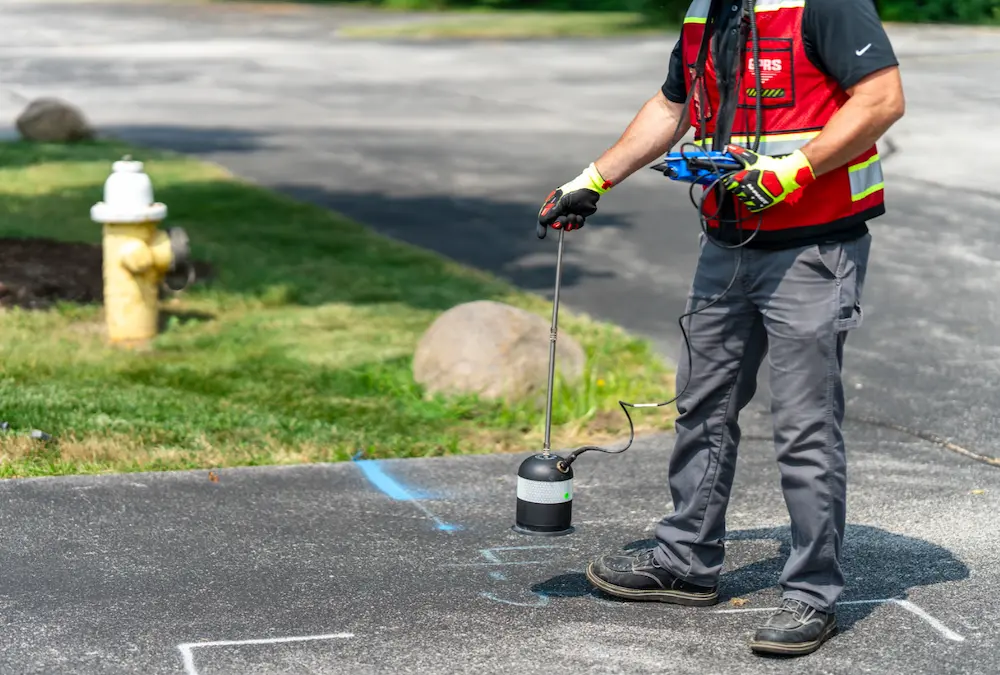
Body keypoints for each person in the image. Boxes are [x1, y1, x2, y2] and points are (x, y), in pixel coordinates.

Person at [537, 0, 905, 657]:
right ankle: (685, 559)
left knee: (803, 423)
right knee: (702, 402)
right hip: (729, 241)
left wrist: (794, 170)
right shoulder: (708, 10)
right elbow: (672, 104)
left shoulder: (824, 3)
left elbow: (880, 100)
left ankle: (812, 593)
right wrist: (592, 179)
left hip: (813, 248)